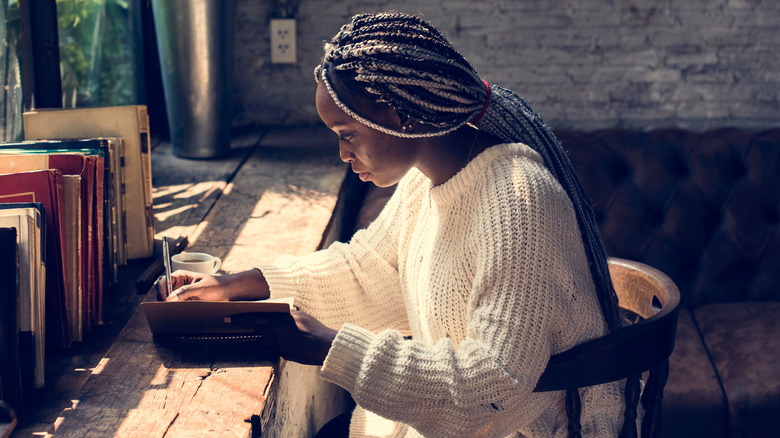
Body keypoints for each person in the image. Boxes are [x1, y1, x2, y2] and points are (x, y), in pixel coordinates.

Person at [157, 11, 629, 438]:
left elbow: (493, 382)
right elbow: (369, 272)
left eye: (348, 134)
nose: (342, 154)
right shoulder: (426, 180)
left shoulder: (519, 199)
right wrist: (240, 284)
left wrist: (331, 347)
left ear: (400, 115)